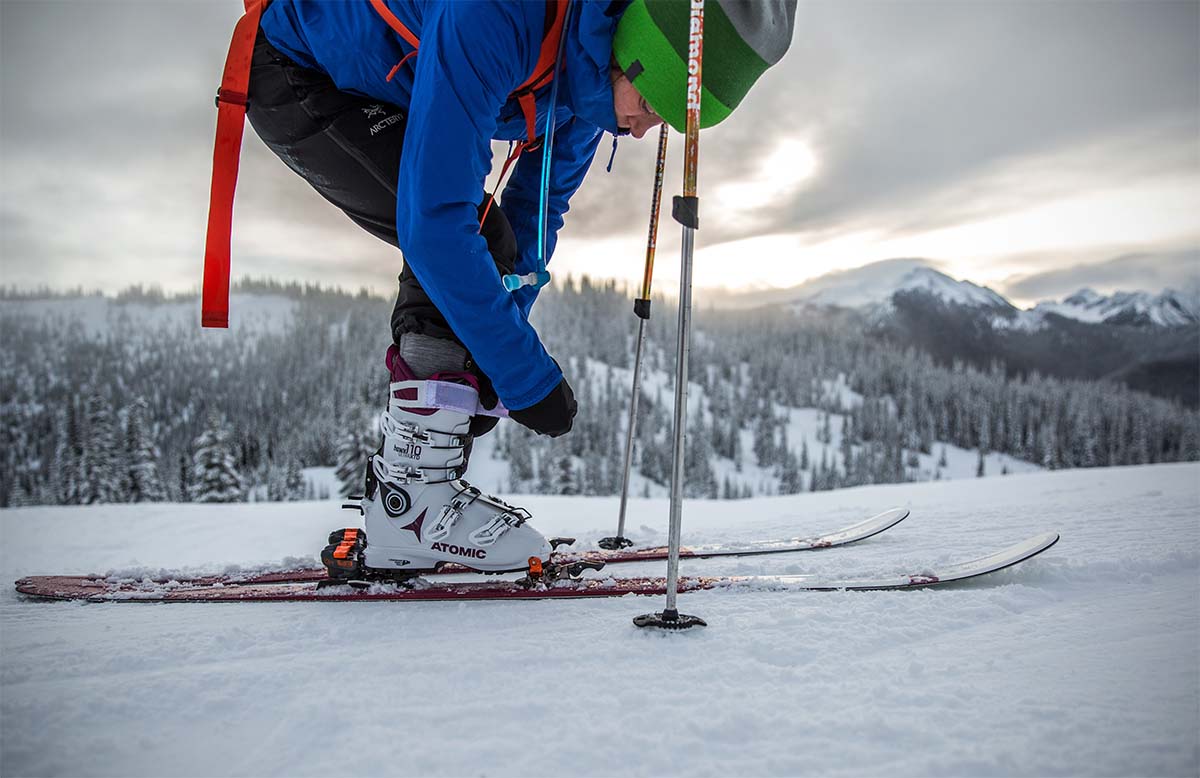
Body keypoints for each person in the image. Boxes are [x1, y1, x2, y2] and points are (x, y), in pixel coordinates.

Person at [232, 0, 796, 576]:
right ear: (632, 54)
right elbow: (437, 226)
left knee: (484, 242)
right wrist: (523, 375)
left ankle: (415, 496)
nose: (646, 128)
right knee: (463, 233)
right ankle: (411, 508)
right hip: (298, 67)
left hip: (382, 80)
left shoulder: (590, 87)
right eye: (652, 105)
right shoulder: (498, 13)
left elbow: (536, 210)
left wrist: (487, 360)